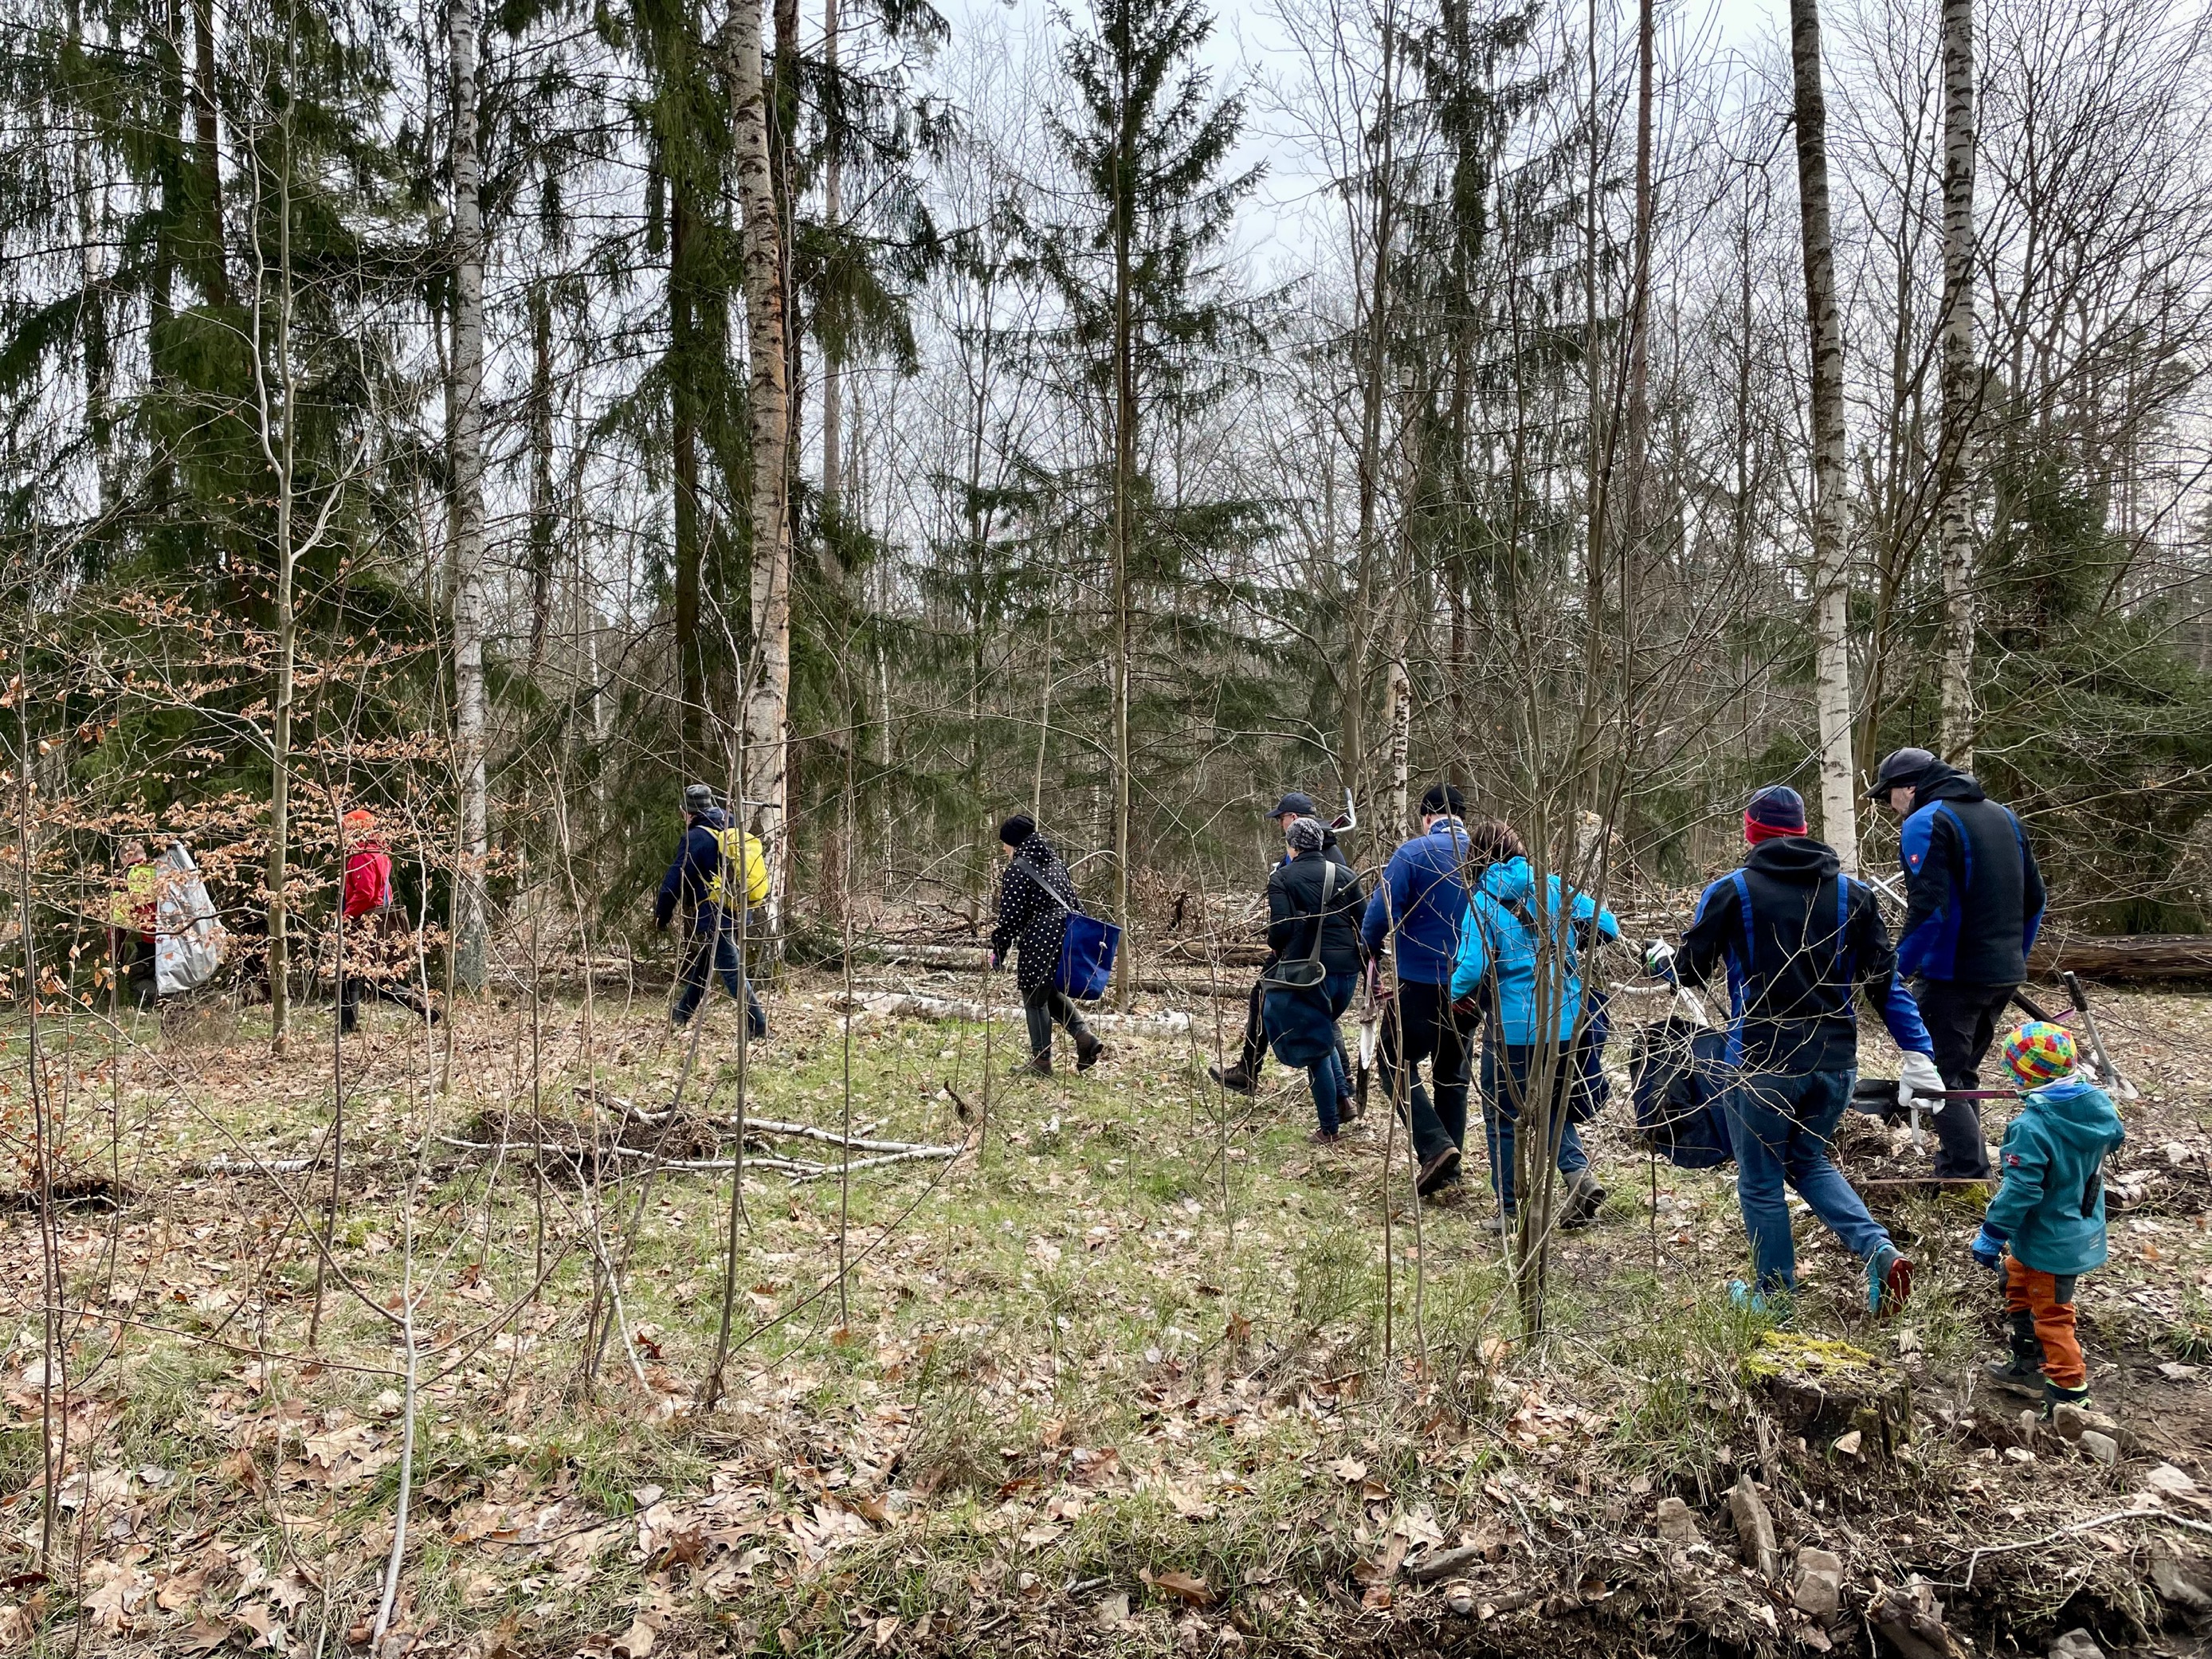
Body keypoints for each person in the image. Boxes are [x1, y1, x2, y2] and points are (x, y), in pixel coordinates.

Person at [1652, 786, 1945, 1314]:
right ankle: (1878, 1250)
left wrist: (1661, 960)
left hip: (1761, 1062)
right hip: (1835, 1064)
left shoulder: (1731, 891)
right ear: (1805, 830)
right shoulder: (1854, 895)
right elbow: (1885, 984)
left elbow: (1690, 971)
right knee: (1807, 1160)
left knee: (1761, 1178)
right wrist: (1918, 1054)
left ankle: (1775, 1296)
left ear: (1752, 832)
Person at [1869, 746, 2047, 1180]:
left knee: (1937, 1077)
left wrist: (1895, 972)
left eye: (1888, 795)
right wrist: (2014, 957)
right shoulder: (2004, 816)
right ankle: (1960, 1165)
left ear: (1909, 788)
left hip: (1952, 975)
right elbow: (2036, 900)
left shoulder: (1925, 822)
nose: (1889, 806)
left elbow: (1930, 910)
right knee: (1961, 1073)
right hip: (2002, 974)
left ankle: (1966, 1174)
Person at [1449, 821, 1620, 1232]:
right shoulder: (1553, 886)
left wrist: (1451, 995)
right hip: (1566, 1019)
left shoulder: (1482, 900)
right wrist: (1570, 943)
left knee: (1503, 1118)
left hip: (1513, 1028)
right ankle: (1579, 1177)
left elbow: (1472, 967)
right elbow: (1608, 926)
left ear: (1476, 858)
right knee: (1552, 1106)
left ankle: (1510, 1212)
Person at [1974, 1022, 2125, 1416]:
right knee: (2015, 1278)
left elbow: (2021, 1190)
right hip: (2074, 1228)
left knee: (2053, 1315)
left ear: (2026, 1077)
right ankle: (2028, 1365)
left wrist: (1992, 1231)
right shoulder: (2095, 1106)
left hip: (2051, 1239)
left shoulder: (2031, 1127)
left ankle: (2069, 1394)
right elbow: (2114, 1138)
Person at [1360, 783, 1477, 1195]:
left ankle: (1435, 1146)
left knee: (1393, 1061)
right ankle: (1449, 1168)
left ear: (1427, 817)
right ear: (1462, 816)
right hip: (1472, 986)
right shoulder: (1483, 856)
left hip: (1421, 982)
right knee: (1452, 1074)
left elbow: (1380, 913)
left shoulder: (1413, 852)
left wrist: (1368, 950)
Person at [1212, 793, 1353, 1098]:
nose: (1279, 824)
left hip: (1306, 950)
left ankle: (1340, 1093)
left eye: (1281, 818)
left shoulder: (1322, 855)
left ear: (1294, 818)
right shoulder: (1327, 850)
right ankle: (1341, 1090)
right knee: (1305, 1010)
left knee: (1291, 1006)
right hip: (1315, 949)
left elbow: (1306, 911)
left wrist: (1280, 942)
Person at [1263, 815, 1367, 1142]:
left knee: (1315, 1047)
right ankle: (1344, 1099)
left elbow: (1280, 929)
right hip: (1347, 974)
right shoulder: (1346, 875)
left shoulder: (1282, 878)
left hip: (1308, 975)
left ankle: (1329, 1128)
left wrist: (1276, 945)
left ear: (1292, 846)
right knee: (1324, 1030)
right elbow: (1366, 924)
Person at [987, 814, 1104, 1076]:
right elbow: (1074, 903)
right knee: (1048, 991)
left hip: (1040, 938)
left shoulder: (1018, 869)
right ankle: (1084, 1037)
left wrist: (998, 951)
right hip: (1065, 934)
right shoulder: (1056, 864)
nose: (1004, 849)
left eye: (1005, 843)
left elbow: (1010, 918)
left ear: (1015, 842)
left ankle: (1041, 1062)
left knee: (1034, 997)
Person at [655, 783, 769, 1039]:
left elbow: (675, 878)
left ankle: (758, 1026)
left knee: (732, 971)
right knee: (707, 961)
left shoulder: (696, 838)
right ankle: (682, 1013)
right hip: (739, 908)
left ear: (687, 812)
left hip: (715, 913)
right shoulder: (730, 826)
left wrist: (662, 914)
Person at [338, 810, 435, 1033]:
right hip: (375, 921)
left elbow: (365, 894)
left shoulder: (362, 855)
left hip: (363, 923)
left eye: (347, 827)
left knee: (358, 975)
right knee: (367, 977)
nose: (344, 832)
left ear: (357, 829)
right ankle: (423, 1007)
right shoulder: (379, 853)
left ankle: (347, 1027)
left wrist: (346, 918)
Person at [109, 839, 160, 1010]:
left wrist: (116, 957)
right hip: (176, 936)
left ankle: (158, 1002)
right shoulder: (162, 870)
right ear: (144, 855)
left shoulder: (123, 880)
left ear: (125, 858)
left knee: (135, 978)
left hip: (149, 939)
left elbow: (118, 923)